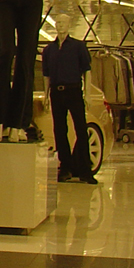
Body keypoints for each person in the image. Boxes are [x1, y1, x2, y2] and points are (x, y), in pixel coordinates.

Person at [42, 13, 97, 184]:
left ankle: (85, 170)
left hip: (73, 91)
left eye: (63, 22)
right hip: (56, 93)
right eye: (58, 22)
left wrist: (87, 93)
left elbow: (87, 70)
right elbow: (46, 74)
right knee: (59, 130)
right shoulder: (49, 50)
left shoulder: (78, 47)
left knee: (81, 129)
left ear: (69, 24)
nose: (60, 25)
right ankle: (64, 167)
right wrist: (46, 95)